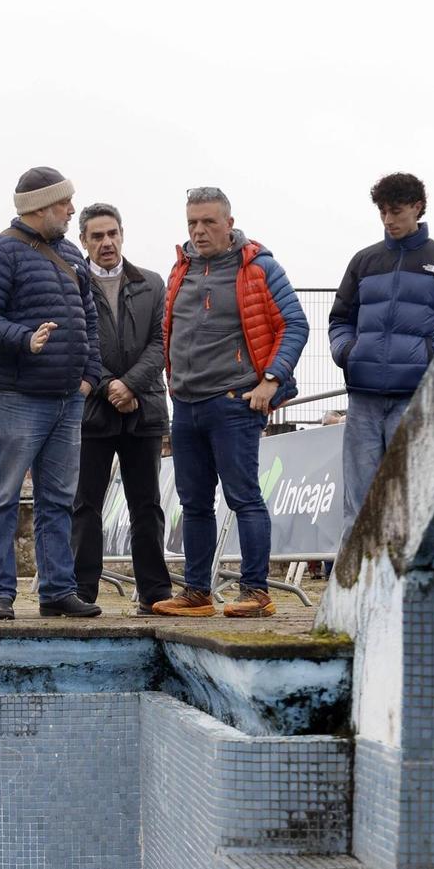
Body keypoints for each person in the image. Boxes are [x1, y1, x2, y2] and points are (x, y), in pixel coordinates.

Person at [152, 187, 309, 619]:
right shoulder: (180, 269)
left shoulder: (259, 267)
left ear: (229, 223)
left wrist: (271, 381)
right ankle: (197, 593)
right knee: (194, 504)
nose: (199, 231)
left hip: (234, 402)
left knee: (244, 498)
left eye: (208, 222)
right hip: (185, 404)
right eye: (192, 223)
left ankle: (256, 592)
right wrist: (172, 382)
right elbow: (169, 330)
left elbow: (295, 324)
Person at [0, 167, 103, 621]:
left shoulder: (71, 254)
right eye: (64, 203)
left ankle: (57, 591)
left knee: (59, 500)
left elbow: (90, 319)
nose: (71, 209)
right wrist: (26, 339)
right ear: (40, 207)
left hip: (68, 397)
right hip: (15, 395)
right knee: (3, 497)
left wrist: (90, 375)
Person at [329, 172, 434, 540]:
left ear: (417, 207)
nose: (388, 220)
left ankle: (408, 579)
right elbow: (339, 320)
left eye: (395, 211)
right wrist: (347, 352)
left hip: (414, 400)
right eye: (382, 211)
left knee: (411, 505)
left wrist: (431, 357)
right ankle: (353, 578)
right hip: (362, 401)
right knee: (358, 510)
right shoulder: (364, 261)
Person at [71, 203, 172, 613]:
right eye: (97, 236)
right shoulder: (71, 284)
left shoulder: (152, 283)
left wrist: (129, 385)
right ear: (83, 241)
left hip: (142, 408)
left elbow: (161, 342)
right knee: (85, 505)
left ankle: (155, 593)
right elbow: (77, 343)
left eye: (112, 233)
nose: (106, 242)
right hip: (93, 411)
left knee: (146, 505)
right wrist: (108, 383)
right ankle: (81, 592)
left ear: (122, 234)